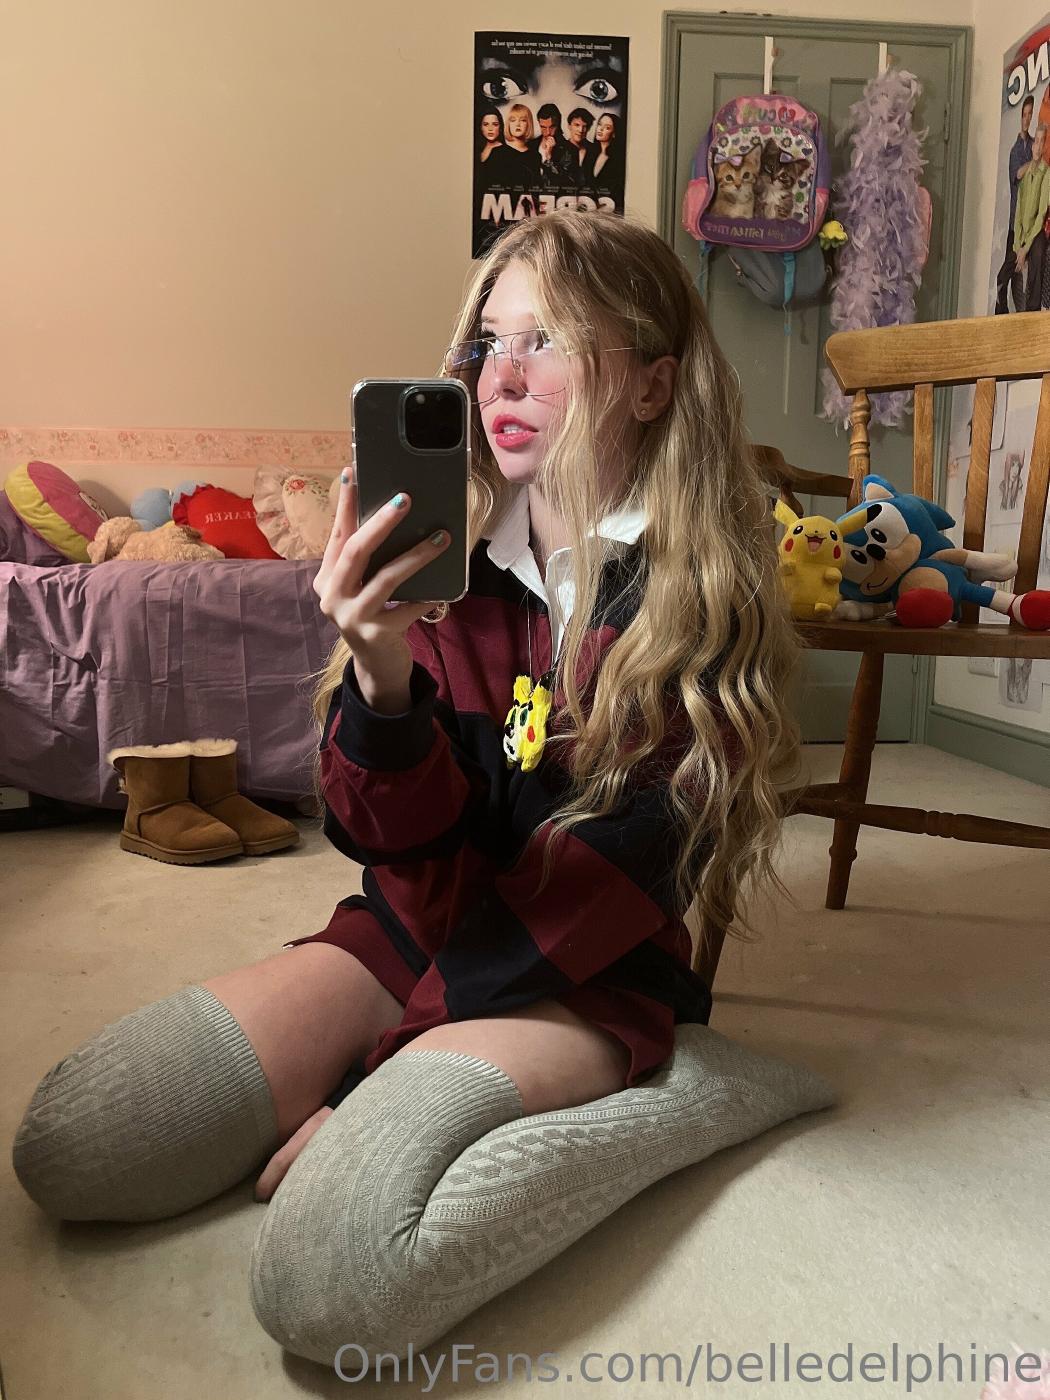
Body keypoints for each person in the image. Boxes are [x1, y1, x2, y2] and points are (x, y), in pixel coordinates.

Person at [11, 210, 806, 1363]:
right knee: (77, 1141)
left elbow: (595, 889)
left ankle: (694, 1086)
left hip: (579, 973)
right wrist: (380, 668)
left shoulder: (696, 609)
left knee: (330, 1281)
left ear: (651, 381)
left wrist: (381, 1069)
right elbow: (387, 837)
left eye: (549, 338)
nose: (502, 374)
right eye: (490, 342)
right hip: (419, 931)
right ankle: (421, 1069)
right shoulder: (452, 568)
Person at [994, 93, 1034, 314]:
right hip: (1014, 225)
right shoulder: (1016, 151)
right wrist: (1034, 161)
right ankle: (999, 313)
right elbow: (1018, 174)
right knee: (1005, 276)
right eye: (1024, 115)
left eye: (1029, 115)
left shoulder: (1034, 145)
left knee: (1020, 282)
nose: (1027, 119)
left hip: (1030, 226)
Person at [1013, 122, 1050, 311]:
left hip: (1036, 232)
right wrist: (1018, 245)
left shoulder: (1046, 173)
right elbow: (1019, 214)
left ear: (1044, 147)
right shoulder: (1026, 175)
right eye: (1037, 141)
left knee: (1038, 252)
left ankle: (1032, 309)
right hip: (1023, 233)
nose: (1038, 146)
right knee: (1007, 268)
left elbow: (1041, 213)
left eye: (1042, 142)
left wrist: (1025, 247)